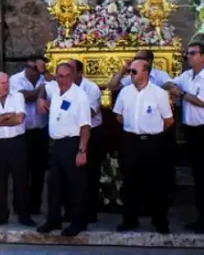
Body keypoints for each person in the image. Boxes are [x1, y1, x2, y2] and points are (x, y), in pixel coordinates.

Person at [113, 58, 173, 234]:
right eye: (130, 71)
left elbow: (168, 120)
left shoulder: (159, 93)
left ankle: (159, 220)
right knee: (130, 182)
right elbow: (118, 115)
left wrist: (151, 131)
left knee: (156, 183)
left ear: (145, 72)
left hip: (152, 143)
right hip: (131, 142)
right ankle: (130, 220)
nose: (130, 74)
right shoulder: (125, 92)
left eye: (134, 71)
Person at [36, 62, 91, 237]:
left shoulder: (80, 96)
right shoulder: (55, 89)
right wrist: (40, 99)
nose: (64, 80)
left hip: (72, 143)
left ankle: (78, 222)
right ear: (56, 76)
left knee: (75, 185)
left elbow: (85, 127)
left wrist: (82, 151)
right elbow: (44, 87)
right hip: (57, 144)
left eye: (68, 76)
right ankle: (54, 219)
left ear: (73, 76)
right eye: (60, 76)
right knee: (53, 184)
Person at [0, 72, 34, 227]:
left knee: (21, 180)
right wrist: (6, 116)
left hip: (17, 142)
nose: (6, 86)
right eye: (2, 83)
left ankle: (24, 214)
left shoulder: (17, 97)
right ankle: (1, 215)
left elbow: (19, 119)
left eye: (7, 82)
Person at [169, 37, 204, 233]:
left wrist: (181, 95)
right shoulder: (186, 75)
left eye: (193, 53)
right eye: (187, 53)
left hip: (203, 129)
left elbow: (202, 102)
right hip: (191, 131)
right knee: (197, 175)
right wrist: (171, 89)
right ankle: (200, 216)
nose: (188, 57)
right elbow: (170, 83)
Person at [11, 55, 48, 215]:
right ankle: (20, 206)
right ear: (27, 66)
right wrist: (40, 91)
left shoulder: (45, 79)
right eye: (33, 68)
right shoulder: (15, 79)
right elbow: (22, 97)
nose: (35, 72)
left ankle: (35, 205)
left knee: (38, 171)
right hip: (22, 133)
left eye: (39, 69)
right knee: (21, 170)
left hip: (40, 131)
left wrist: (44, 76)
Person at [70, 59, 104, 223]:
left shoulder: (91, 88)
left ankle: (90, 213)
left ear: (79, 73)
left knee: (90, 175)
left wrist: (69, 114)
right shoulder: (64, 88)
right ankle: (72, 211)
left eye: (71, 70)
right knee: (71, 174)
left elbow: (89, 113)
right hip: (72, 134)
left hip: (92, 134)